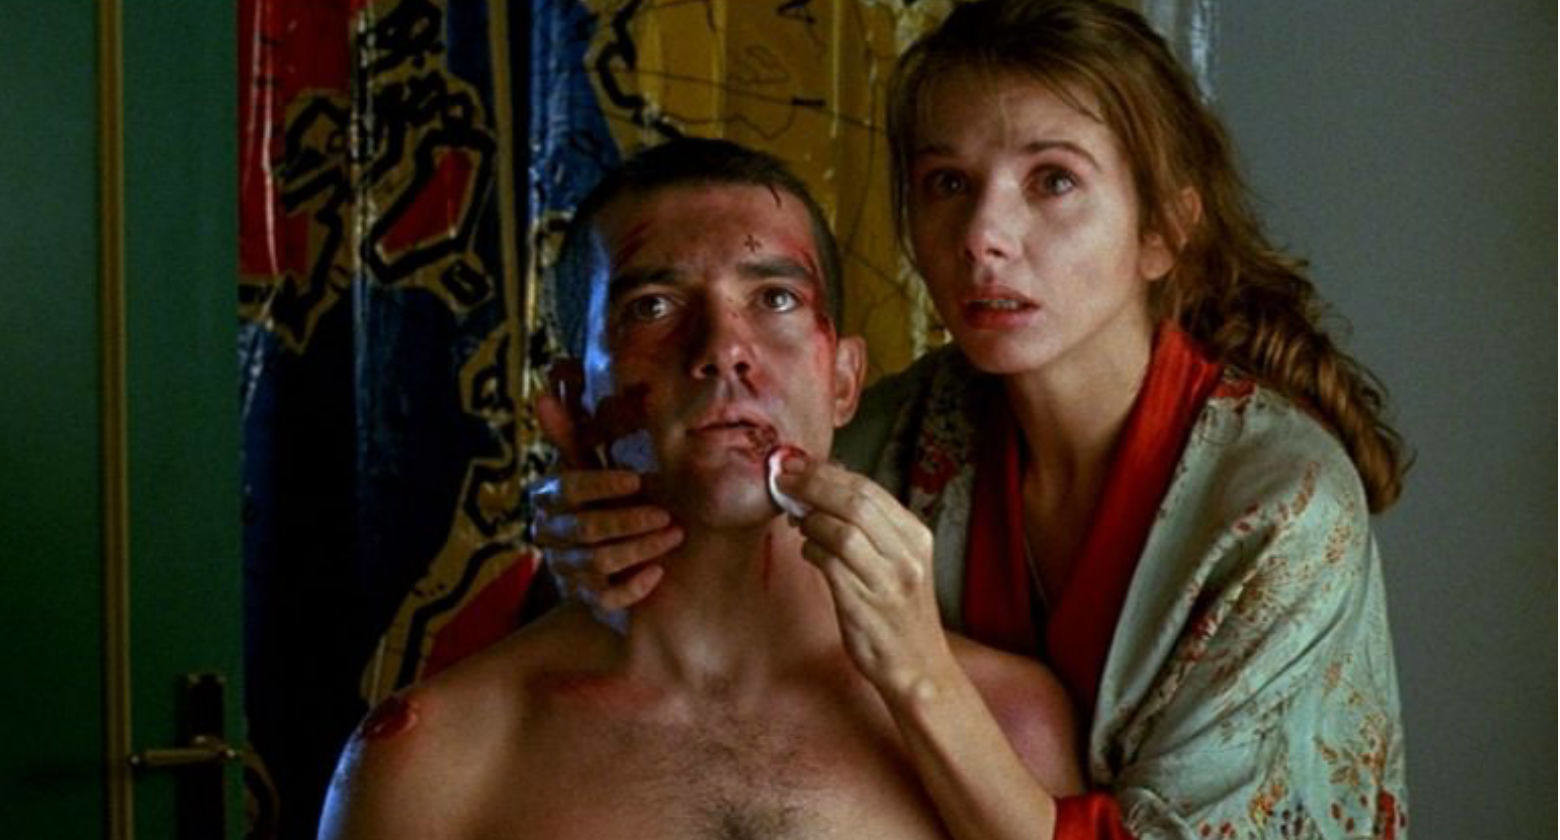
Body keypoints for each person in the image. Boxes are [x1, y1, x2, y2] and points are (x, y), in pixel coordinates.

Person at [534, 1, 1410, 838]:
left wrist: (919, 672)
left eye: (1053, 181)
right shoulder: (895, 435)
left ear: (1163, 230)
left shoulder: (1282, 512)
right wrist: (588, 531)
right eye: (947, 183)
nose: (982, 235)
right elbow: (703, 586)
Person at [316, 138, 1084, 840]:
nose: (724, 350)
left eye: (775, 299)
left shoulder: (1005, 723)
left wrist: (921, 684)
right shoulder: (436, 758)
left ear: (845, 380)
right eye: (653, 307)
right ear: (572, 398)